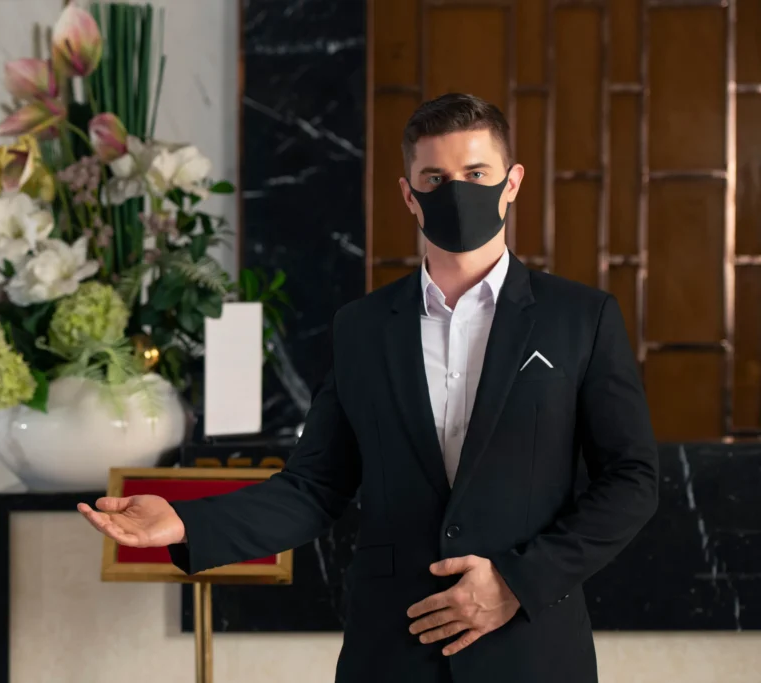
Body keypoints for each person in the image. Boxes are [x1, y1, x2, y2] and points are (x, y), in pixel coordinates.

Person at [78, 93, 659, 683]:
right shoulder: (361, 329)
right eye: (435, 177)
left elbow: (632, 479)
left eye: (476, 174)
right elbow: (314, 486)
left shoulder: (580, 319)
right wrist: (184, 523)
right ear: (409, 195)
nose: (457, 190)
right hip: (391, 652)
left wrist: (518, 581)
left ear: (512, 183)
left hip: (534, 652)